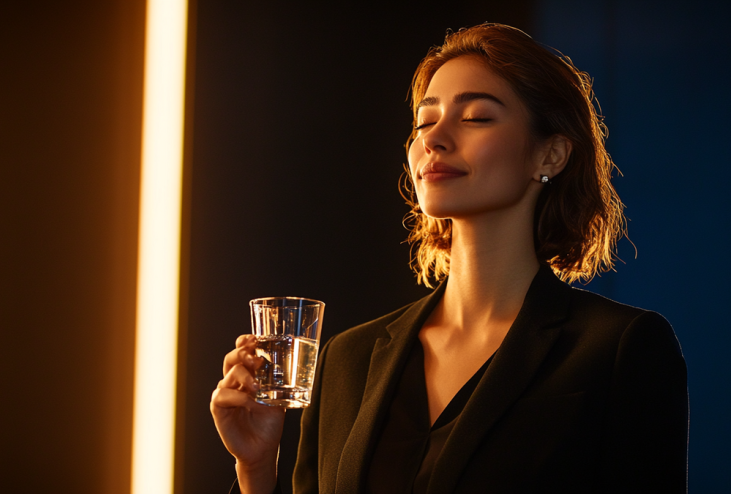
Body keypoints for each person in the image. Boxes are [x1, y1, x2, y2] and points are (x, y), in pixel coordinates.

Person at [210, 23, 688, 494]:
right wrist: (255, 468)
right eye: (424, 121)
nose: (434, 139)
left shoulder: (619, 348)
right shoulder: (345, 360)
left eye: (476, 116)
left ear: (551, 155)